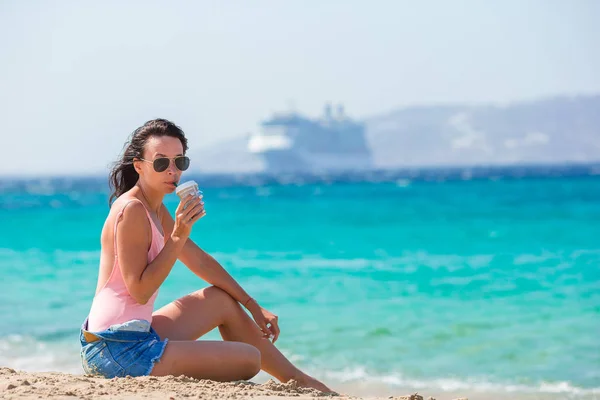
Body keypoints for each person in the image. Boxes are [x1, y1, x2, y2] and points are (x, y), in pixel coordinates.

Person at [80, 119, 332, 393]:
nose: (172, 171)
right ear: (139, 165)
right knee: (250, 360)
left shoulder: (153, 208)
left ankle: (298, 379)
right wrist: (178, 235)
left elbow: (199, 261)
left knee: (219, 300)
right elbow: (139, 291)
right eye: (161, 163)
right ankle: (295, 380)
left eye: (180, 162)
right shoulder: (132, 211)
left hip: (134, 335)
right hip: (115, 350)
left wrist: (252, 305)